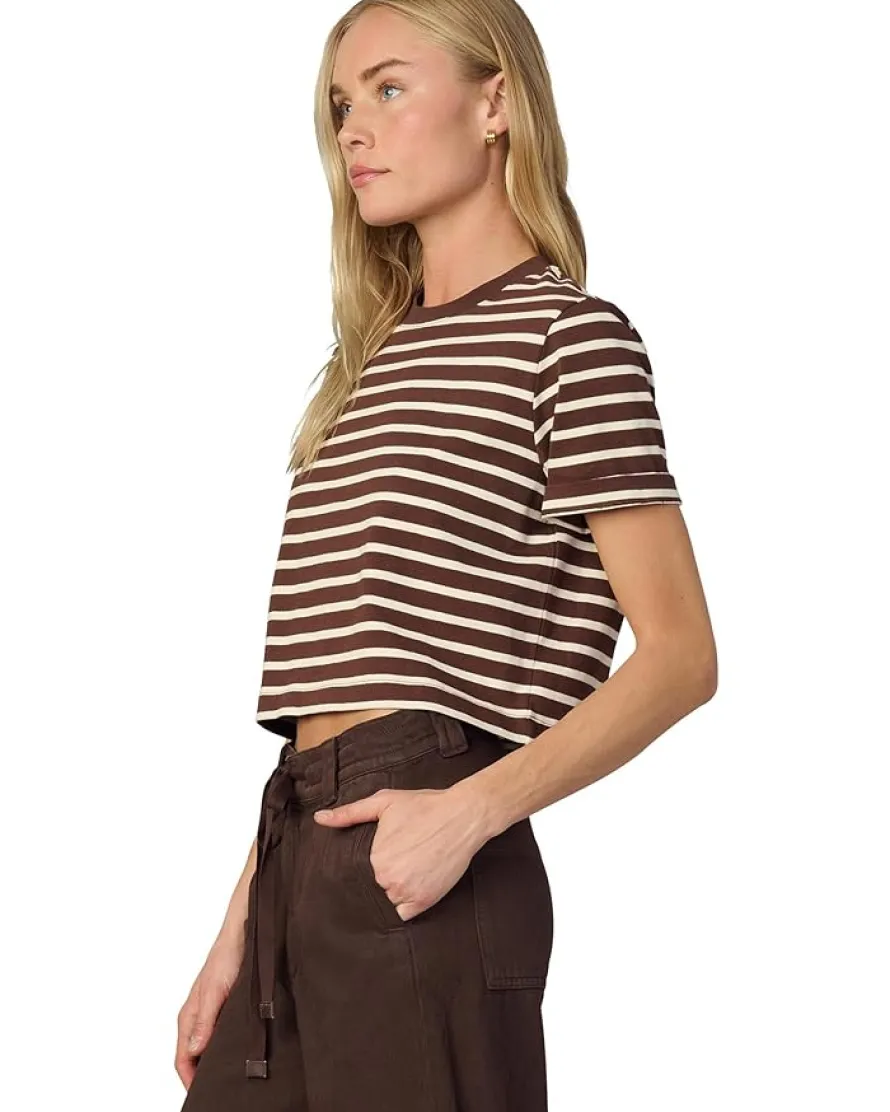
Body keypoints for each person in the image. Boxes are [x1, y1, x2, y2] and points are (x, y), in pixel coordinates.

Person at [175, 0, 718, 1108]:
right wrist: (239, 925)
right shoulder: (365, 370)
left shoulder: (570, 339)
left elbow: (681, 656)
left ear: (495, 104)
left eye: (388, 88)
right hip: (298, 846)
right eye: (340, 104)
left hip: (432, 848)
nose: (352, 129)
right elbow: (341, 680)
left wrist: (470, 811)